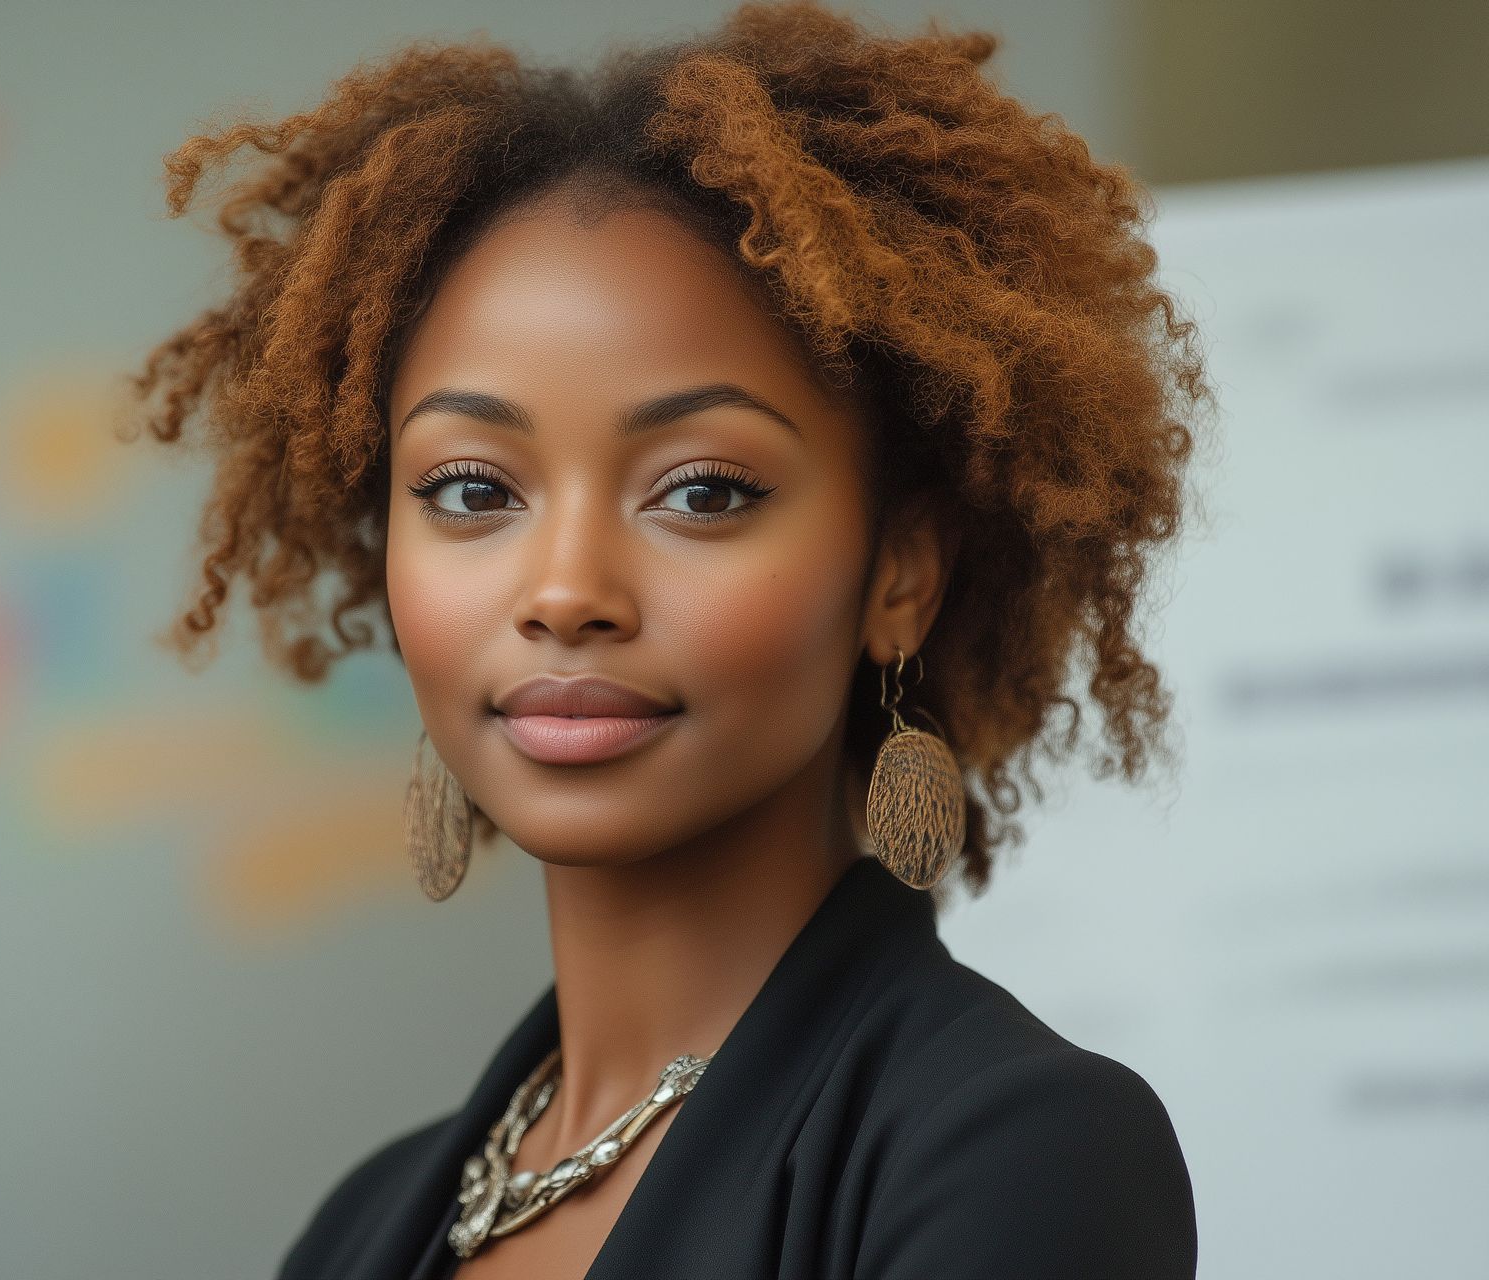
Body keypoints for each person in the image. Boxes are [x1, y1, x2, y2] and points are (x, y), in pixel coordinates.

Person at [126, 2, 1212, 1276]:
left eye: (702, 489)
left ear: (901, 572)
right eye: (474, 490)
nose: (567, 589)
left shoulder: (1019, 1150)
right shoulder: (362, 1228)